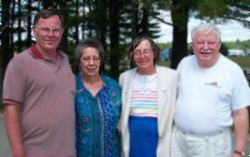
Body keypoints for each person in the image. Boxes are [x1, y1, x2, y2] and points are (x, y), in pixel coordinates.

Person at [2, 9, 76, 157]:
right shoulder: (19, 63)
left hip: (67, 152)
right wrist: (18, 151)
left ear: (61, 33)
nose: (50, 34)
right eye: (45, 29)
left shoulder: (65, 61)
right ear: (34, 31)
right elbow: (11, 110)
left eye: (55, 30)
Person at [171, 23, 250, 157]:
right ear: (193, 45)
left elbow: (240, 114)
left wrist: (238, 151)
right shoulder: (184, 64)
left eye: (211, 42)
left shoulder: (232, 70)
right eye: (200, 42)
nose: (205, 47)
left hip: (213, 145)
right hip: (179, 142)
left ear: (219, 44)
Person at [119, 34, 178, 157]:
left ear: (154, 53)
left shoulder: (171, 77)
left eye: (146, 51)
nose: (142, 56)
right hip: (133, 138)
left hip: (161, 137)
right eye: (137, 52)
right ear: (132, 56)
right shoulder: (125, 78)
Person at [74, 38, 122, 157]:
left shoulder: (113, 87)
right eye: (86, 58)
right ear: (79, 61)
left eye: (95, 58)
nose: (91, 63)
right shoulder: (70, 89)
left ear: (100, 61)